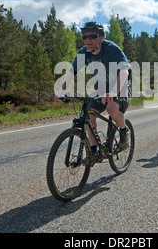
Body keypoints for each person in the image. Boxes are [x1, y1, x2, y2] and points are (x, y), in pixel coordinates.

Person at [55, 21, 132, 156]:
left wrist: (114, 91)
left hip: (120, 85)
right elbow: (72, 72)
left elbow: (124, 70)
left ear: (100, 38)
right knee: (89, 114)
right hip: (101, 88)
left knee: (111, 108)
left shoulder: (111, 49)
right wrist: (61, 89)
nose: (87, 40)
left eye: (92, 36)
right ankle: (94, 149)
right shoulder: (84, 52)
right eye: (85, 37)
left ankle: (124, 132)